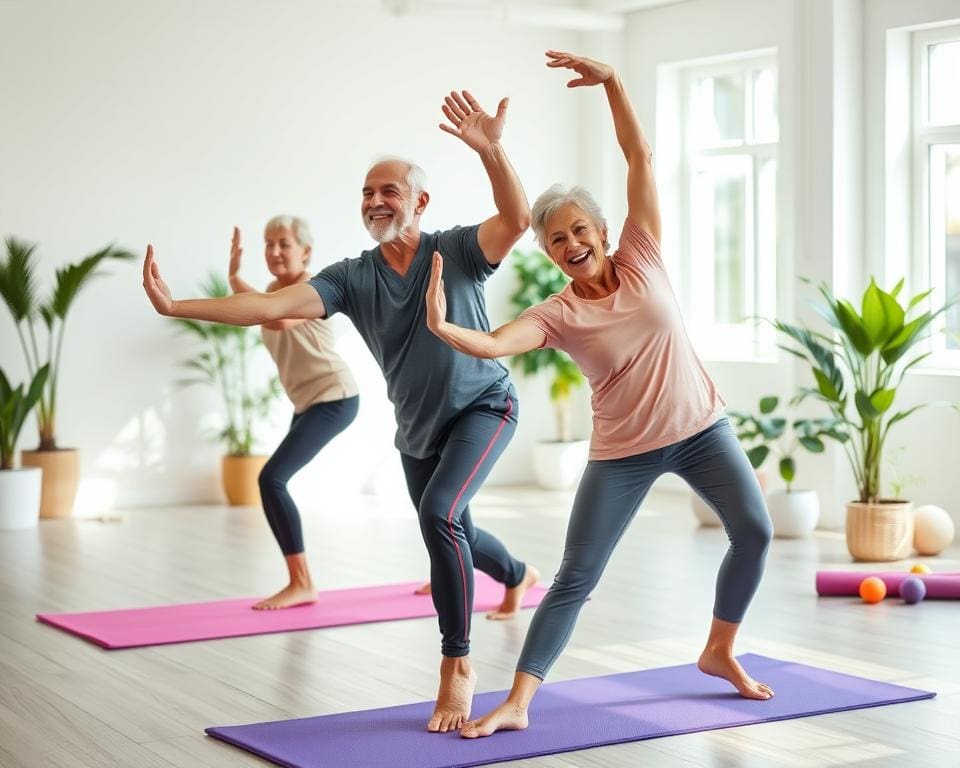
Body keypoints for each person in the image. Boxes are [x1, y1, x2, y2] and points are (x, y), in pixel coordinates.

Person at [143, 89, 539, 733]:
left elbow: (517, 217)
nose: (376, 201)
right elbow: (271, 306)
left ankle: (456, 668)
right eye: (366, 193)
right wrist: (178, 305)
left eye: (389, 190)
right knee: (453, 523)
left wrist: (491, 150)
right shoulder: (352, 277)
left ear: (419, 201)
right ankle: (517, 573)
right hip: (418, 430)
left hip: (484, 406)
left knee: (440, 516)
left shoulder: (458, 249)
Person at [424, 51, 774, 739]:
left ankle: (719, 649)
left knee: (755, 531)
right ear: (550, 255)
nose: (572, 243)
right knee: (577, 576)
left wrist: (613, 81)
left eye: (581, 230)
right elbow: (497, 344)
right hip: (624, 453)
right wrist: (442, 327)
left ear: (604, 233)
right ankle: (520, 700)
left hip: (702, 428)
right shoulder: (557, 314)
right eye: (558, 240)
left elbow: (639, 154)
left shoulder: (643, 256)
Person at [227, 217, 359, 610]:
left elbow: (278, 318)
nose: (274, 252)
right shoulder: (271, 290)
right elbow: (262, 309)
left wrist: (237, 287)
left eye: (283, 244)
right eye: (268, 244)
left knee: (271, 479)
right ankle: (300, 580)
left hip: (334, 396)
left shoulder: (312, 290)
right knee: (273, 481)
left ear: (305, 251)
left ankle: (302, 583)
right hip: (308, 403)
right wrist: (235, 277)